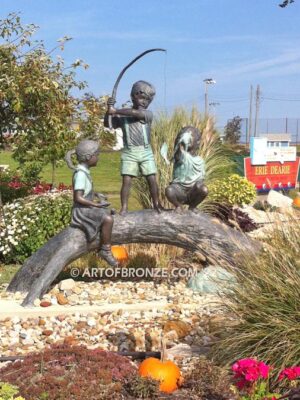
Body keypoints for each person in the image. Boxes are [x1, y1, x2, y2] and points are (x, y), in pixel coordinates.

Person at [105, 80, 163, 215]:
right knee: (126, 180)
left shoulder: (147, 114)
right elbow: (108, 125)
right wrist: (108, 111)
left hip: (145, 151)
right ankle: (124, 208)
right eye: (141, 98)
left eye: (147, 100)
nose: (144, 102)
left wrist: (116, 110)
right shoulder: (123, 116)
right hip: (129, 152)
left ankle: (156, 204)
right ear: (133, 96)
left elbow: (135, 113)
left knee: (152, 178)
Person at [65, 140, 118, 267]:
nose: (98, 158)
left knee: (110, 211)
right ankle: (105, 250)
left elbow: (85, 192)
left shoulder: (84, 172)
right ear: (89, 157)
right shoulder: (81, 174)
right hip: (81, 212)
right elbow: (78, 197)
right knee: (108, 219)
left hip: (85, 207)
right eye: (97, 155)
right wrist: (96, 205)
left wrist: (96, 195)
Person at [165, 126, 208, 213]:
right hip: (179, 190)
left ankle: (192, 207)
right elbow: (178, 149)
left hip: (193, 192)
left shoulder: (200, 160)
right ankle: (178, 206)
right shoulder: (181, 156)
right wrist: (184, 136)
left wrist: (198, 185)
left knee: (204, 189)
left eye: (193, 139)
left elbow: (201, 179)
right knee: (169, 190)